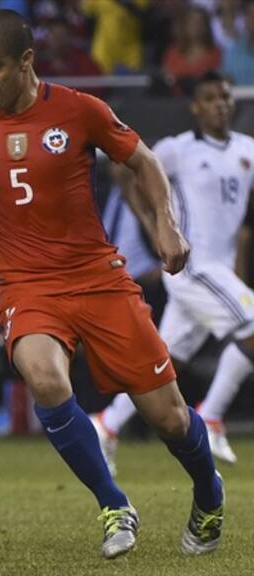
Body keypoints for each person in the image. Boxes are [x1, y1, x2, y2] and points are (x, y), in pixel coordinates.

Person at [0, 10, 224, 559]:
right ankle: (113, 504)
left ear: (26, 62)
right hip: (27, 288)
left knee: (168, 417)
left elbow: (144, 162)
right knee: (44, 377)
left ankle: (208, 491)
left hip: (99, 281)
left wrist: (166, 225)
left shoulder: (80, 110)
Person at [91, 71, 254, 471]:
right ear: (195, 107)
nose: (221, 104)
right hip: (192, 265)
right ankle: (212, 416)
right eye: (211, 98)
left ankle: (106, 424)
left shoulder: (247, 149)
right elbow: (123, 171)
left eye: (225, 97)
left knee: (162, 364)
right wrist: (154, 229)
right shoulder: (176, 149)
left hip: (217, 268)